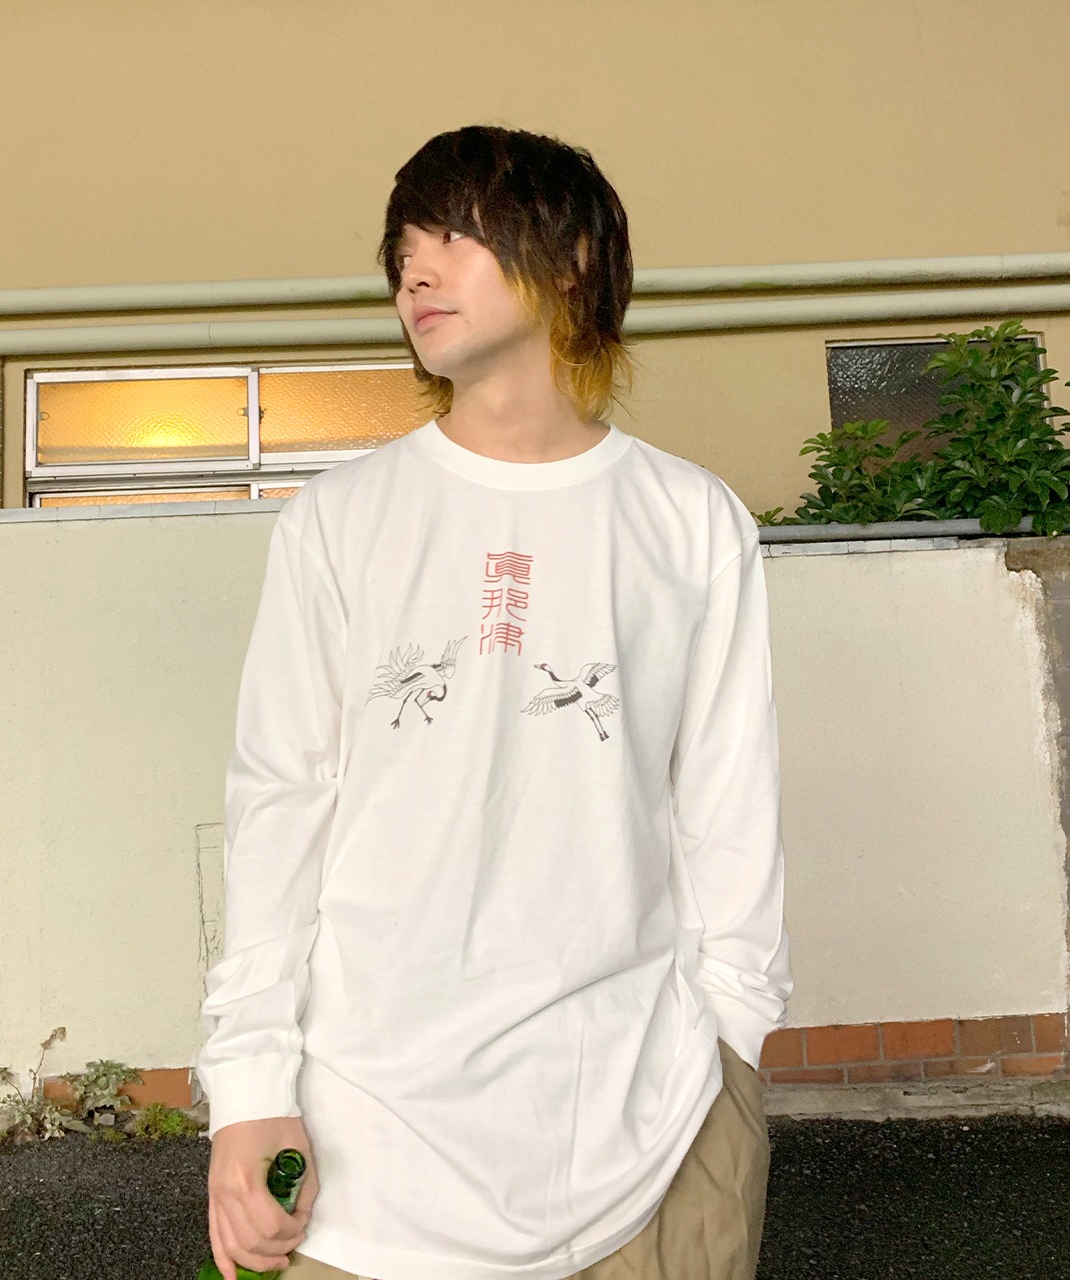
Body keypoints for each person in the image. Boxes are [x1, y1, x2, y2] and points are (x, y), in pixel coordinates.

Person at [194, 124, 793, 1280]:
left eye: (455, 234)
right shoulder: (338, 521)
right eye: (402, 249)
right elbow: (279, 805)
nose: (415, 270)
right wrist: (251, 1083)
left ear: (572, 258)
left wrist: (731, 1046)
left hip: (647, 1128)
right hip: (369, 1147)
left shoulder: (688, 520)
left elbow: (729, 805)